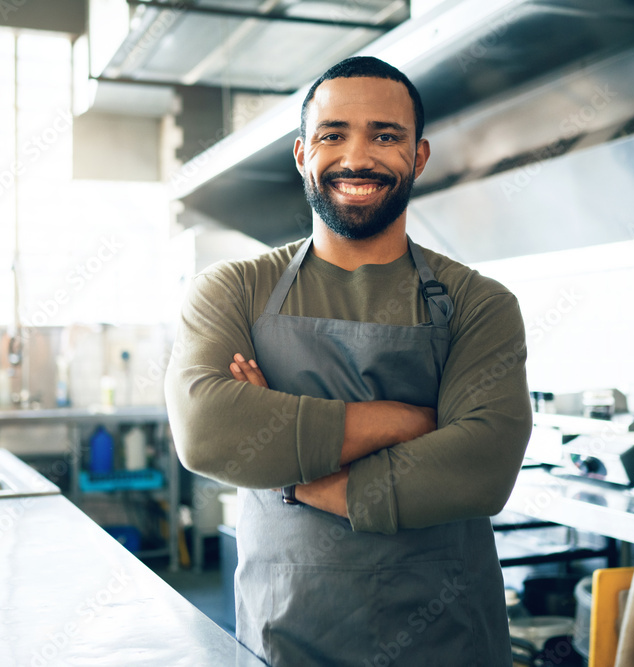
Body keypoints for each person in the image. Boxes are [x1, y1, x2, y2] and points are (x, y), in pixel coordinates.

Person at [164, 56, 532, 666]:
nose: (356, 158)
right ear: (303, 153)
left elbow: (483, 465)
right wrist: (407, 421)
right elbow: (207, 433)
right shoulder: (233, 289)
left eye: (385, 136)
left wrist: (285, 465)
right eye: (333, 135)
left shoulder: (479, 303)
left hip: (448, 639)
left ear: (418, 156)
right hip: (289, 631)